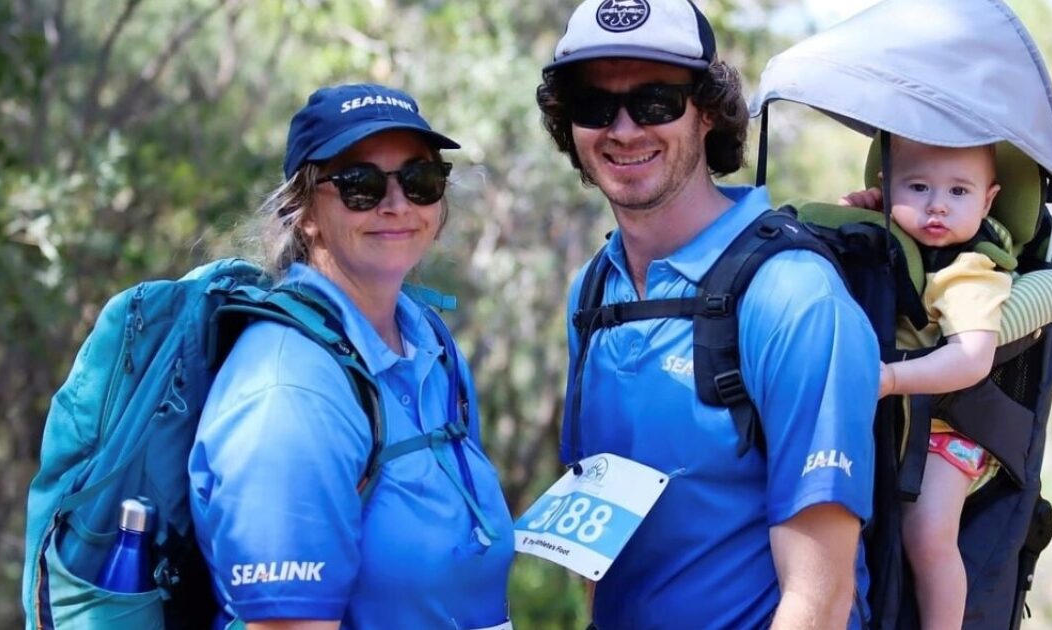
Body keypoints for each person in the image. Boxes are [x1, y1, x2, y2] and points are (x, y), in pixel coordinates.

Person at [536, 1, 880, 628]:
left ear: (708, 112)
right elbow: (602, 540)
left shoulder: (793, 297)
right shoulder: (593, 292)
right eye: (594, 105)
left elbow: (821, 599)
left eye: (656, 102)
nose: (624, 129)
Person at [187, 83, 514, 629]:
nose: (397, 204)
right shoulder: (289, 391)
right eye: (360, 185)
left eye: (420, 180)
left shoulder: (431, 345)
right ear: (305, 212)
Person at [841, 136, 1011, 629]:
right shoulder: (886, 238)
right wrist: (859, 211)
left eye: (959, 192)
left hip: (948, 426)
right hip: (888, 418)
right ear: (885, 187)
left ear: (988, 200)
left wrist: (893, 377)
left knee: (927, 531)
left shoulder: (969, 271)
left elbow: (972, 359)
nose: (937, 205)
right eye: (917, 187)